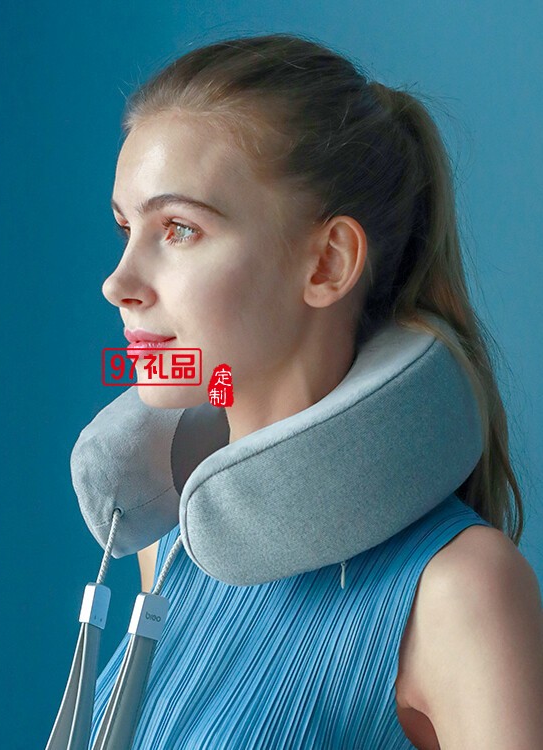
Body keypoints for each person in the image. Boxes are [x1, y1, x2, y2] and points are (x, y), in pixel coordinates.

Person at [94, 33, 543, 748]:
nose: (118, 283)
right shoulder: (175, 548)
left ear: (328, 263)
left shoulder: (460, 591)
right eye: (126, 226)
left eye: (178, 228)